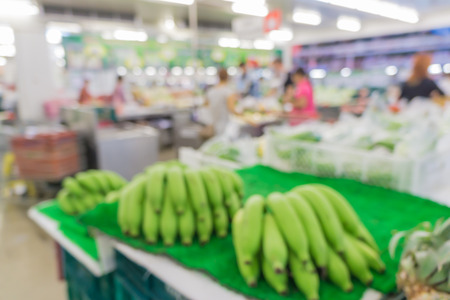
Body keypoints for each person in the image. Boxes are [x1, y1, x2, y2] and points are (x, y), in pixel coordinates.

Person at [204, 68, 238, 137]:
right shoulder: (228, 92)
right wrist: (241, 114)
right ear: (227, 77)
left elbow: (205, 105)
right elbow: (231, 109)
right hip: (224, 123)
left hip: (214, 121)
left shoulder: (211, 91)